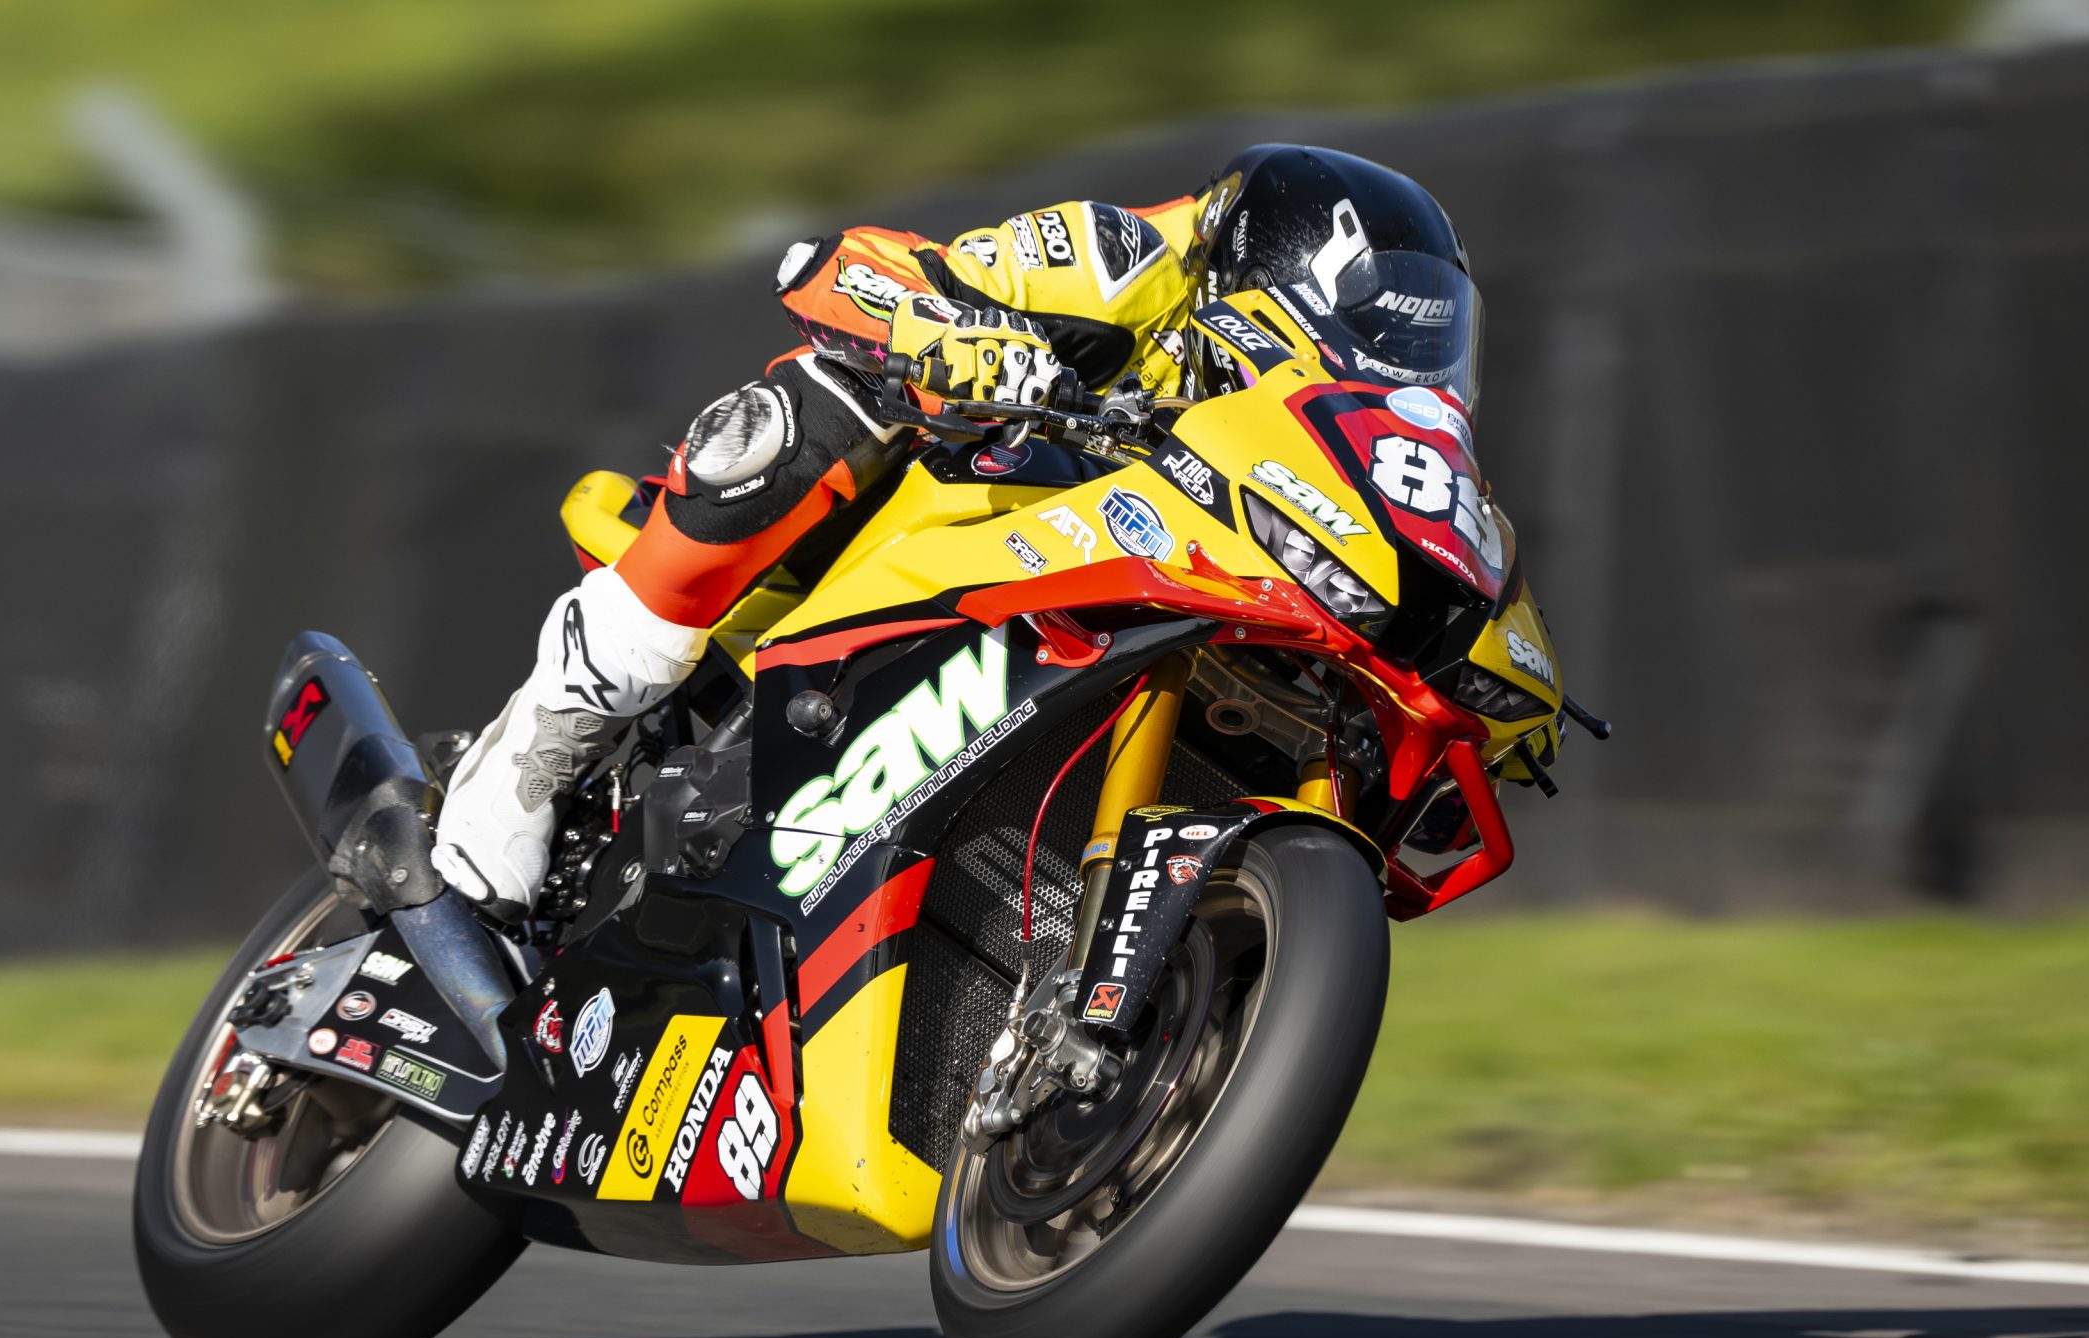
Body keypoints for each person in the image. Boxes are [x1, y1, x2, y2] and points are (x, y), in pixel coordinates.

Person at [430, 144, 1486, 912]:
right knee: (825, 402)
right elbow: (841, 267)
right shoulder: (1123, 260)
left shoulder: (1361, 441)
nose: (1382, 374)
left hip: (1144, 592)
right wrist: (958, 338)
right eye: (1369, 334)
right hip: (948, 514)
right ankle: (545, 738)